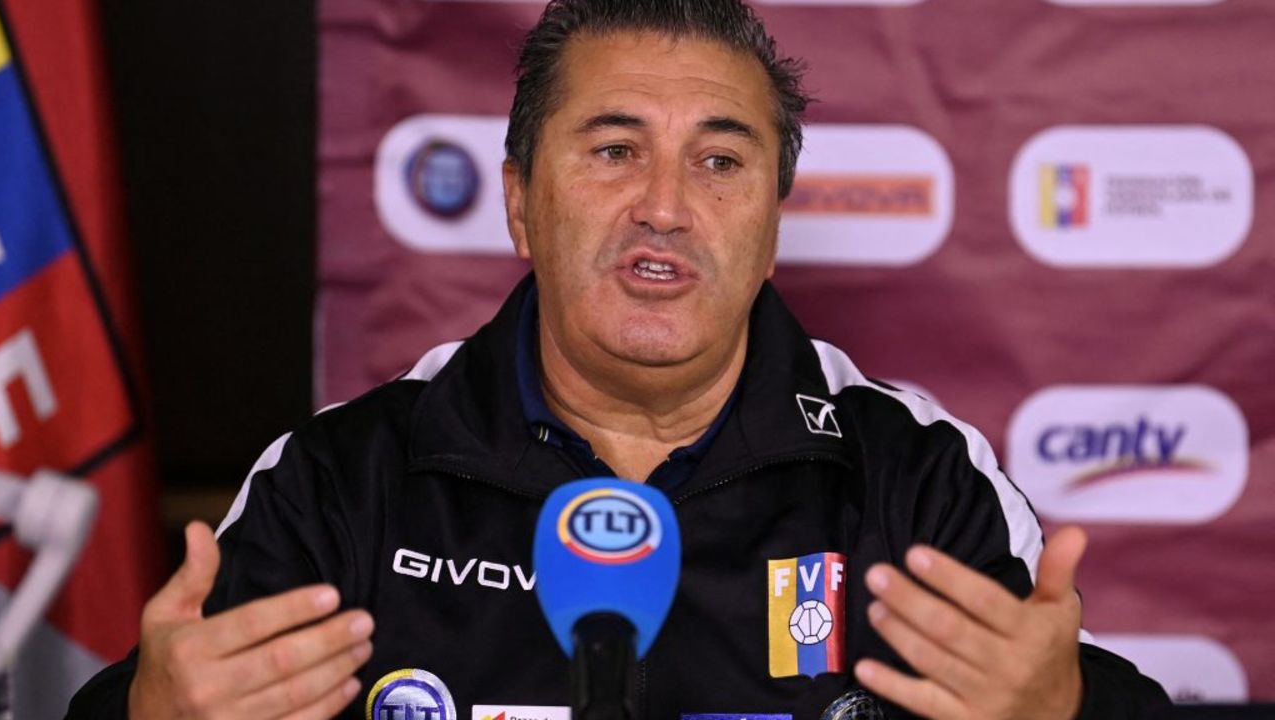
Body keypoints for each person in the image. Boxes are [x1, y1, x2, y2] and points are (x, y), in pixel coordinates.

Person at [69, 0, 1172, 718]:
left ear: (771, 217)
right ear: (518, 201)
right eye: (612, 150)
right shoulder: (344, 478)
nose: (664, 207)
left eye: (719, 161)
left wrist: (1062, 713)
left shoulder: (912, 473)